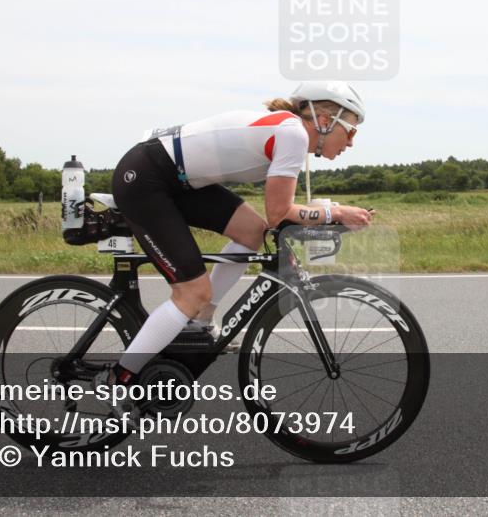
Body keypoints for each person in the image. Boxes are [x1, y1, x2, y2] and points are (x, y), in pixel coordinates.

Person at [95, 81, 373, 405]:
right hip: (148, 177)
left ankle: (201, 320)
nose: (352, 142)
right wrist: (335, 212)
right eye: (351, 131)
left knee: (251, 232)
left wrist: (330, 213)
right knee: (192, 292)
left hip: (179, 180)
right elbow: (279, 213)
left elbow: (270, 221)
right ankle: (119, 381)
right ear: (325, 121)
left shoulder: (290, 131)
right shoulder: (293, 133)